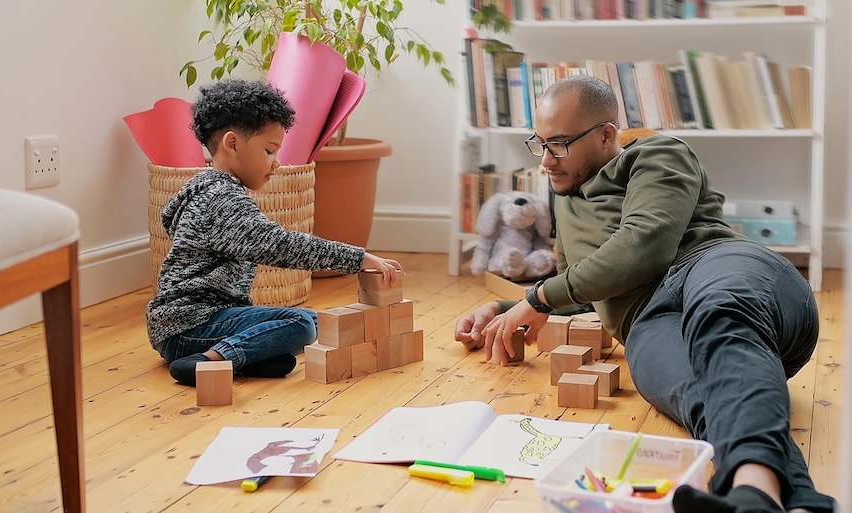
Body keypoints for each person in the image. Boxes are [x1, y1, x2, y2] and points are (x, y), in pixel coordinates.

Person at [454, 75, 835, 513]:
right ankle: (776, 498)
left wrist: (537, 298)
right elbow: (585, 288)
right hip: (648, 321)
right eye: (539, 143)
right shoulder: (564, 196)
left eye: (558, 144)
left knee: (721, 314)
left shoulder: (658, 154)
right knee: (700, 394)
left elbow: (643, 244)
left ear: (605, 135)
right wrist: (504, 309)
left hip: (716, 265)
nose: (546, 160)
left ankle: (755, 492)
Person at [146, 79, 402, 387]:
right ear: (233, 144)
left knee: (299, 341)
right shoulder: (220, 199)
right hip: (190, 326)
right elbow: (281, 245)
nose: (277, 163)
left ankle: (242, 356)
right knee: (302, 323)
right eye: (269, 150)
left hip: (193, 322)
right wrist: (358, 258)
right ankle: (210, 361)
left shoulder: (207, 191)